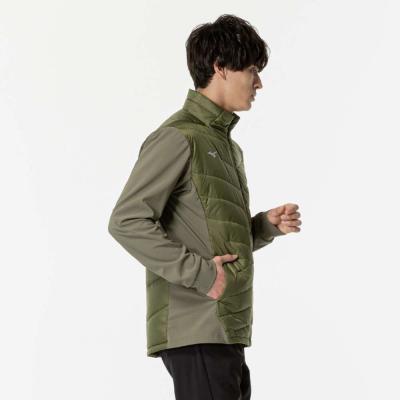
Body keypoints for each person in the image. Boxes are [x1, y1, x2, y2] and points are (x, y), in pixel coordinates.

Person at [108, 13, 301, 400]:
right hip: (196, 325)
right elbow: (126, 221)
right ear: (220, 67)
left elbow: (210, 234)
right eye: (252, 70)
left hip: (224, 328)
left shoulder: (226, 146)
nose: (259, 83)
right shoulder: (178, 137)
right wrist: (201, 274)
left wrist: (264, 226)